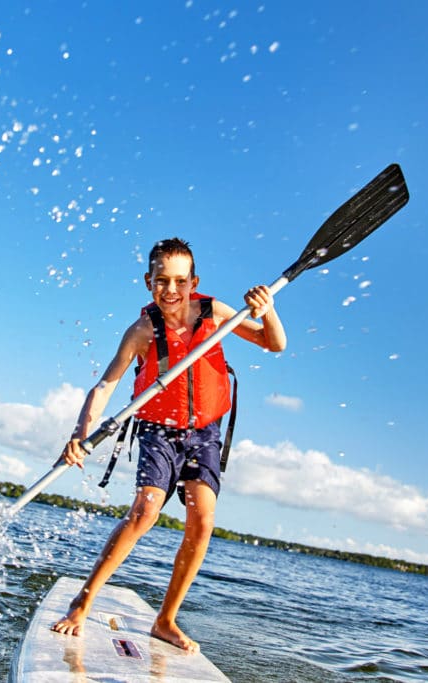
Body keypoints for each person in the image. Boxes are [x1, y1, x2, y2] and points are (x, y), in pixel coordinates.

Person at [51, 237, 287, 652]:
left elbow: (274, 343)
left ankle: (165, 620)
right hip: (158, 430)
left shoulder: (214, 313)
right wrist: (79, 433)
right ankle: (82, 602)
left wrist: (268, 312)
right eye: (162, 281)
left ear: (193, 281)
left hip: (204, 433)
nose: (172, 290)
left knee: (204, 520)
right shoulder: (141, 331)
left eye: (180, 281)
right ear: (148, 282)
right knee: (144, 511)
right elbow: (106, 385)